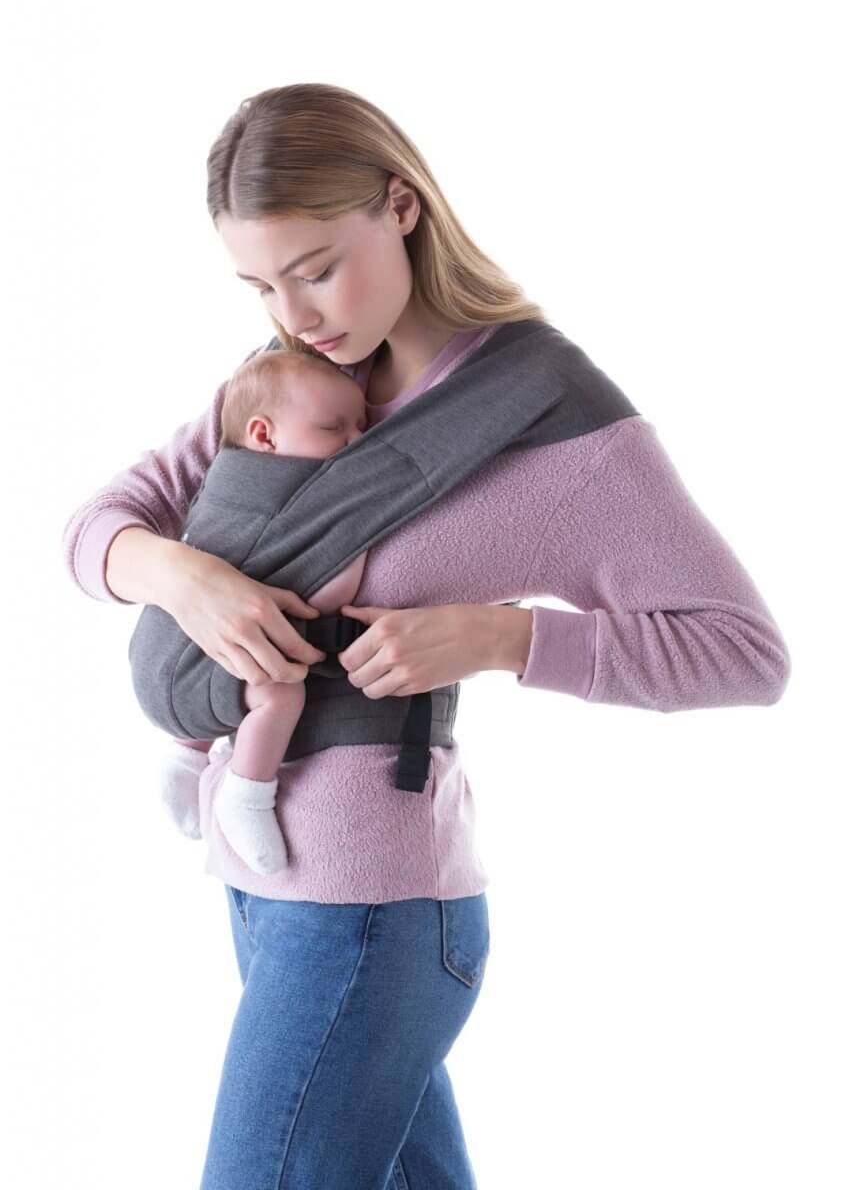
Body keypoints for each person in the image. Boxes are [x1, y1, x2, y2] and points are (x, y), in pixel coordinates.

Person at [61, 82, 792, 1189]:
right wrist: (183, 575)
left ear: (401, 206)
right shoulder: (300, 382)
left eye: (315, 269)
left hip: (370, 908)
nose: (295, 312)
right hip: (258, 882)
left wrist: (503, 638)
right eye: (261, 284)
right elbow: (97, 527)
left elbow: (742, 650)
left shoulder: (547, 414)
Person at [160, 347, 372, 876]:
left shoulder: (227, 476)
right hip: (179, 648)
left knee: (230, 658)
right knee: (279, 690)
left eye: (362, 427)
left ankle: (187, 756)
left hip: (173, 663)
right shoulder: (274, 491)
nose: (357, 442)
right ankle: (247, 791)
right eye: (334, 428)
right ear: (263, 435)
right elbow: (321, 587)